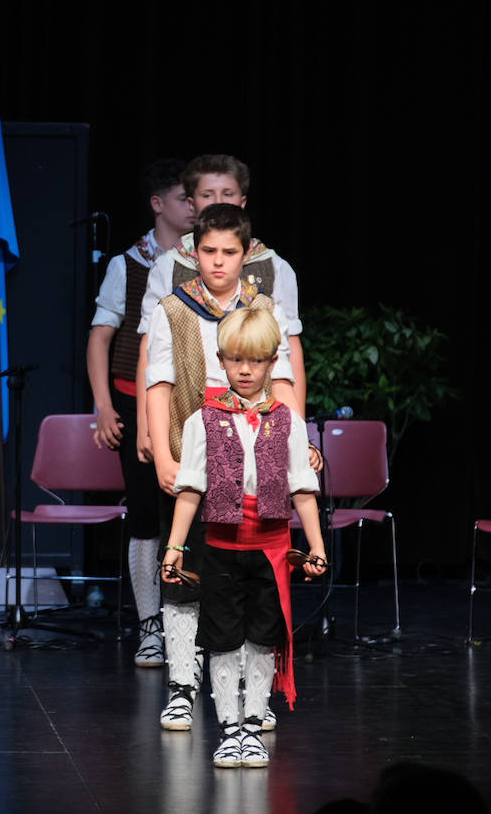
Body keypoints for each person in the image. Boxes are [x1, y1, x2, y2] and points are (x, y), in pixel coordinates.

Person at [143, 202, 306, 732]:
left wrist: (294, 440)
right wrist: (164, 453)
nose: (218, 263)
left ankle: (247, 694)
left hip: (254, 453)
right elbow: (158, 384)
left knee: (251, 579)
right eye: (208, 251)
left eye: (228, 252)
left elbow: (281, 379)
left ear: (246, 254)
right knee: (186, 574)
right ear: (193, 252)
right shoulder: (174, 308)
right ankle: (181, 686)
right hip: (195, 449)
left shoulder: (264, 309)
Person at [161, 306, 326, 768]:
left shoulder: (288, 422)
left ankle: (253, 726)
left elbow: (303, 490)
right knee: (222, 639)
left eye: (255, 361)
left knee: (262, 640)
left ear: (273, 363)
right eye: (236, 360)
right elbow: (190, 489)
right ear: (222, 360)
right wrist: (175, 547)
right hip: (221, 550)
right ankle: (228, 729)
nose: (246, 370)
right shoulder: (203, 421)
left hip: (271, 551)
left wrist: (316, 546)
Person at [86, 157, 192, 667]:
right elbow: (100, 339)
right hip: (136, 399)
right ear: (158, 204)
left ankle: (188, 623)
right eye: (183, 198)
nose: (194, 206)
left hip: (193, 401)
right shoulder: (127, 264)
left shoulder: (207, 259)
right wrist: (105, 407)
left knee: (192, 510)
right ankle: (151, 624)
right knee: (147, 514)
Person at [137, 153, 307, 410]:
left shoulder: (273, 266)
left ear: (243, 201)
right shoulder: (169, 266)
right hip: (184, 412)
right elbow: (150, 352)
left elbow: (288, 352)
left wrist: (298, 427)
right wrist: (145, 427)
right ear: (192, 204)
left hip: (256, 410)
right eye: (207, 195)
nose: (218, 202)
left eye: (227, 194)